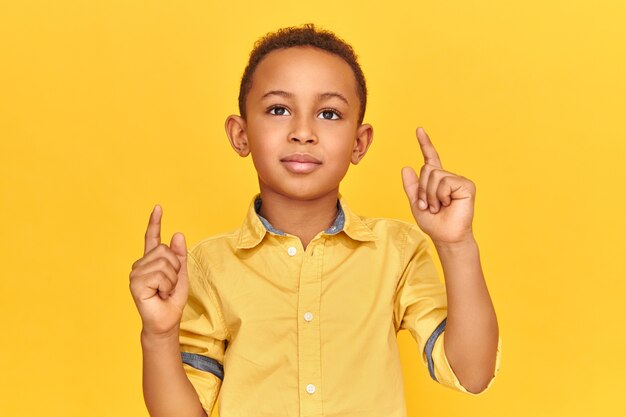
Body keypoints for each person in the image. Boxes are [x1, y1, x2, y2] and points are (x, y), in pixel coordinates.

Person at [129, 24, 501, 417]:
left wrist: (456, 244)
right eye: (278, 109)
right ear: (241, 135)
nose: (303, 132)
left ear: (359, 142)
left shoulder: (399, 251)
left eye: (329, 113)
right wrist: (159, 335)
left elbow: (472, 373)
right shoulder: (207, 266)